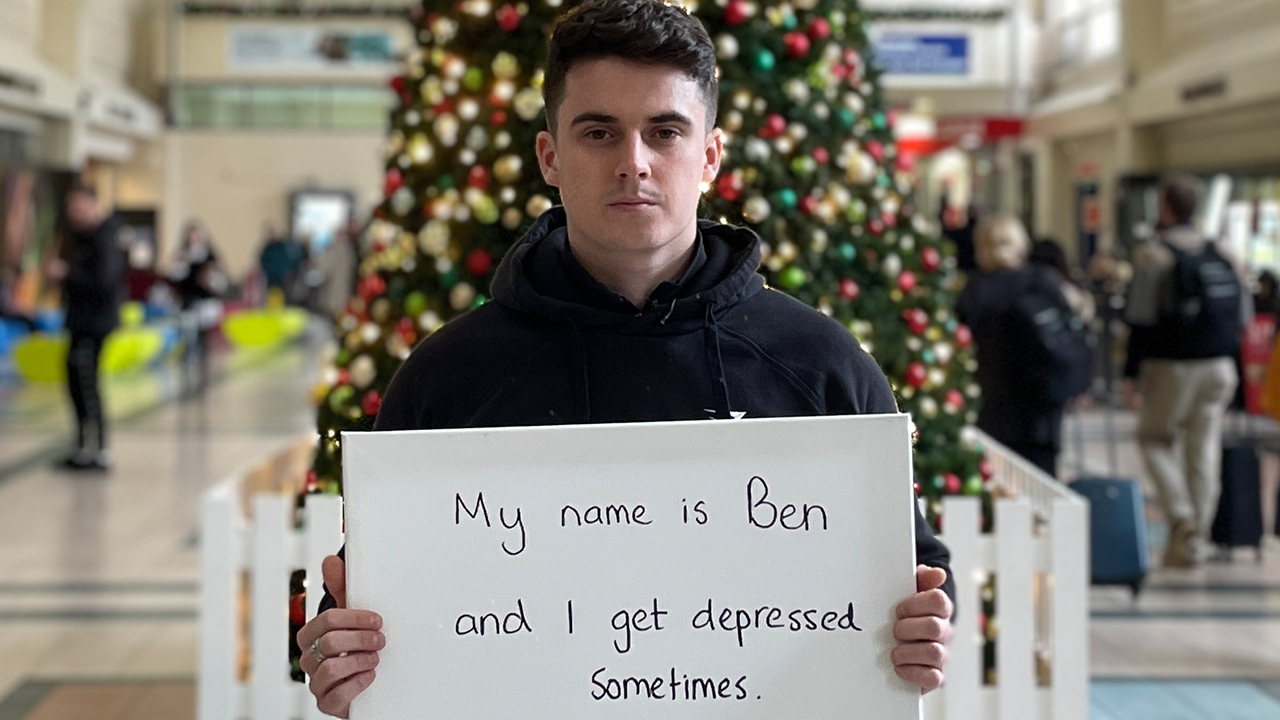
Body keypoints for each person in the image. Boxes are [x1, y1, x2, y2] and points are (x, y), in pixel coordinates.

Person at [295, 2, 954, 716]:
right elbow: (361, 604)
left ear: (708, 156)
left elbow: (915, 573)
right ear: (550, 155)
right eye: (599, 131)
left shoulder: (819, 365)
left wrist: (928, 628)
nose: (632, 162)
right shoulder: (449, 377)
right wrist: (336, 652)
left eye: (665, 132)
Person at [1123, 175, 1250, 569]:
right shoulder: (1223, 252)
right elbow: (1242, 315)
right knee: (1203, 447)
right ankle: (1198, 539)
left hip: (1173, 366)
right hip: (1220, 367)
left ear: (1165, 207)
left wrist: (1131, 374)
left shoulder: (1154, 255)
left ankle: (1182, 519)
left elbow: (1140, 319)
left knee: (1153, 438)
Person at [957, 215, 1087, 477]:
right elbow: (1073, 325)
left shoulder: (975, 290)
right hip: (1043, 401)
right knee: (1044, 479)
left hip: (995, 402)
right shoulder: (1041, 280)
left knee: (1001, 481)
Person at [46, 183, 123, 471]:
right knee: (75, 382)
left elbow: (103, 283)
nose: (74, 214)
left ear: (93, 205)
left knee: (88, 385)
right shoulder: (82, 238)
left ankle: (100, 449)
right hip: (79, 321)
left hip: (95, 323)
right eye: (71, 209)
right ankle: (82, 446)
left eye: (79, 207)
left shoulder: (104, 238)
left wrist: (67, 273)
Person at [170, 221, 227, 394]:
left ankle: (203, 376)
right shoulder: (182, 255)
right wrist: (182, 264)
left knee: (203, 339)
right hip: (188, 302)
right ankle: (187, 375)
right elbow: (174, 276)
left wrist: (210, 278)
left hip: (206, 302)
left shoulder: (210, 256)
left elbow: (221, 282)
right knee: (188, 338)